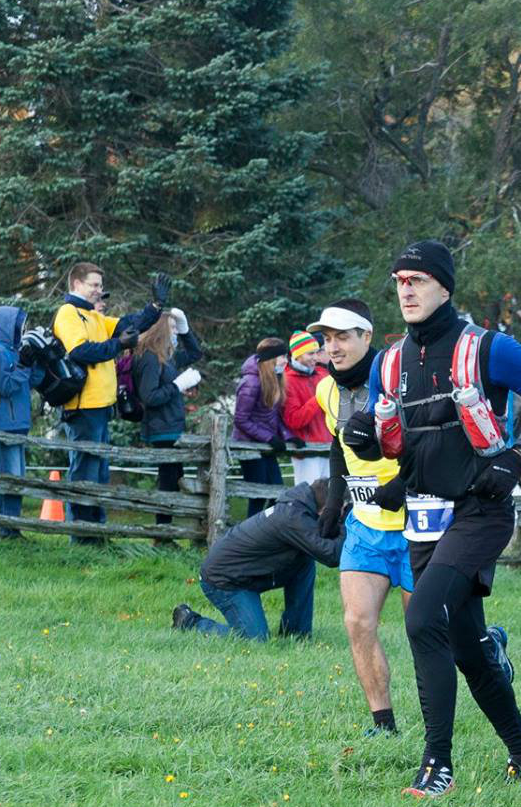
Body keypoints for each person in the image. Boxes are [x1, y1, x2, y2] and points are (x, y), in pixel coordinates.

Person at [342, 240, 521, 799]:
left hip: (480, 512)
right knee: (468, 648)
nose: (407, 290)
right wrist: (364, 437)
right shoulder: (389, 361)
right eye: (400, 280)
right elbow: (388, 440)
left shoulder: (488, 348)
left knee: (423, 620)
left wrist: (518, 456)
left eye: (418, 280)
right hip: (422, 516)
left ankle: (436, 764)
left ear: (444, 287)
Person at [309, 299, 416, 738]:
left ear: (366, 337)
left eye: (343, 337)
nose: (333, 347)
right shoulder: (326, 390)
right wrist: (334, 503)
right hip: (367, 524)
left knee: (430, 632)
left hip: (416, 521)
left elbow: (431, 445)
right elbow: (339, 444)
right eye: (327, 339)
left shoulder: (399, 384)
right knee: (357, 622)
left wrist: (401, 484)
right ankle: (383, 724)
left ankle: (488, 644)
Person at [52, 263, 167, 532]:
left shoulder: (91, 315)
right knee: (85, 473)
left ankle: (97, 531)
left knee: (99, 472)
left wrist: (155, 307)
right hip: (83, 408)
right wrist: (119, 345)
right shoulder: (68, 314)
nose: (98, 291)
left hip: (101, 406)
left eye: (100, 286)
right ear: (76, 285)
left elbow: (128, 324)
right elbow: (80, 351)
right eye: (94, 285)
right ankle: (82, 534)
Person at [171, 480, 339, 640]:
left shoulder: (298, 510)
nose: (340, 516)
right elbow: (331, 555)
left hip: (250, 573)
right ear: (324, 510)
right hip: (224, 579)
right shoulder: (292, 517)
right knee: (255, 639)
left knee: (305, 561)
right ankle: (189, 621)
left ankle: (296, 634)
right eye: (340, 511)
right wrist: (349, 527)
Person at [129, 310, 204, 523]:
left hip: (171, 425)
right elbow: (149, 396)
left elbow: (195, 353)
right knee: (169, 480)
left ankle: (165, 531)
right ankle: (163, 531)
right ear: (160, 329)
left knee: (174, 478)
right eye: (172, 328)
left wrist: (185, 326)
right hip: (160, 428)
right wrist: (177, 385)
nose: (175, 333)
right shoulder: (150, 357)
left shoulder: (167, 357)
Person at [0, 307, 35, 534]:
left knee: (16, 478)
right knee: (11, 477)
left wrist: (33, 362)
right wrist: (24, 366)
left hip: (17, 423)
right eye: (19, 324)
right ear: (7, 325)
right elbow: (6, 386)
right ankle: (8, 530)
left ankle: (12, 527)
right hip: (5, 424)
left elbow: (27, 382)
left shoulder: (12, 351)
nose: (22, 328)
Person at [234, 337, 293, 517]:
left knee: (277, 491)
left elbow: (273, 415)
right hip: (249, 447)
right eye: (282, 356)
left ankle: (265, 531)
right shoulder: (251, 383)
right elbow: (241, 419)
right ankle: (250, 534)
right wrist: (269, 438)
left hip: (265, 446)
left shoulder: (274, 379)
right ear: (271, 358)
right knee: (258, 494)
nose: (286, 361)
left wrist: (288, 436)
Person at [282, 330, 333, 485]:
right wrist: (318, 398)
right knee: (310, 499)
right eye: (310, 354)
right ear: (297, 355)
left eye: (317, 352)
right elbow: (294, 420)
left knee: (330, 501)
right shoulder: (288, 381)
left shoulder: (323, 375)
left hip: (329, 448)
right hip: (306, 452)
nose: (315, 357)